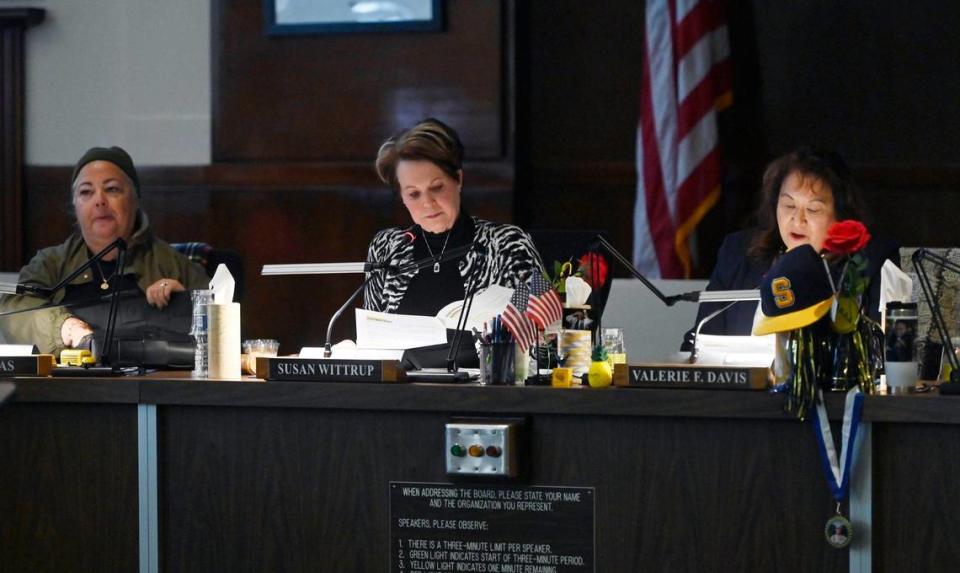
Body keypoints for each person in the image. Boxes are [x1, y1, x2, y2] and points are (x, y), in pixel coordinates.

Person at [682, 146, 900, 349]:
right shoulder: (738, 252)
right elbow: (700, 343)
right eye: (788, 205)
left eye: (813, 209)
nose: (798, 219)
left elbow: (883, 353)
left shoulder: (868, 262)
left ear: (841, 217)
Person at [0, 146, 209, 356]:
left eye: (112, 189)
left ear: (135, 200)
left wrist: (184, 303)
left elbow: (220, 325)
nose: (99, 200)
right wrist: (65, 328)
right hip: (71, 385)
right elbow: (13, 309)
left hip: (152, 386)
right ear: (75, 206)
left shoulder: (174, 264)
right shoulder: (50, 263)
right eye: (86, 192)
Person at [364, 118, 545, 316]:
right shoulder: (386, 248)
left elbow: (543, 328)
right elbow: (372, 334)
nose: (427, 202)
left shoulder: (507, 244)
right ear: (402, 197)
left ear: (458, 179)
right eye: (414, 194)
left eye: (436, 187)